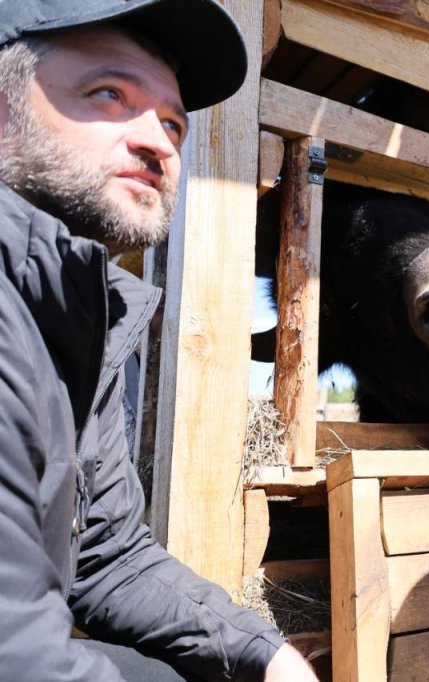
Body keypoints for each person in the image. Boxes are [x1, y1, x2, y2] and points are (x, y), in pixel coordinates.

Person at [0, 1, 318, 680]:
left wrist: (264, 650)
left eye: (173, 122)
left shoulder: (83, 321)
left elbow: (109, 555)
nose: (159, 142)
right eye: (108, 93)